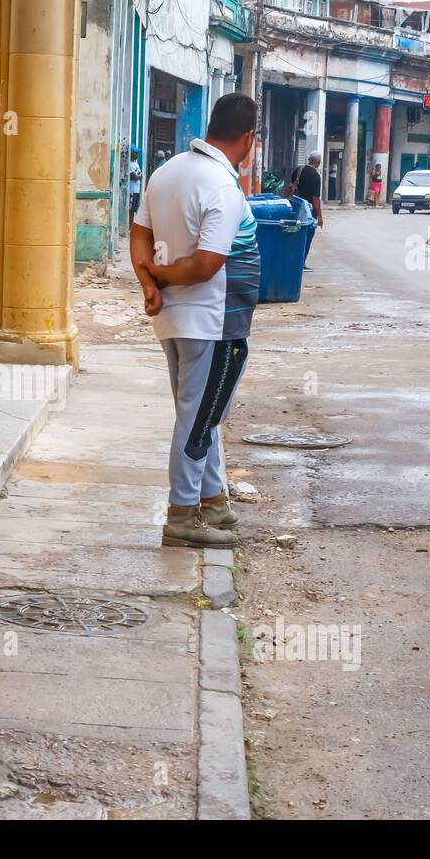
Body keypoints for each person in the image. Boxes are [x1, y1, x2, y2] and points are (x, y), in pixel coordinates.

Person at [128, 93, 257, 549]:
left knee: (201, 413)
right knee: (199, 417)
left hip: (175, 319)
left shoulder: (168, 171)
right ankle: (182, 513)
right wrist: (159, 275)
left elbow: (140, 232)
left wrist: (148, 283)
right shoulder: (221, 185)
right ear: (248, 139)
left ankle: (214, 500)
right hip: (213, 321)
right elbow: (207, 265)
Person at [296, 152, 324, 229]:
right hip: (309, 211)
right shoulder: (316, 176)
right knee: (308, 234)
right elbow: (315, 199)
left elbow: (290, 187)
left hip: (297, 207)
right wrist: (320, 217)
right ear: (317, 162)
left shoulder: (299, 169)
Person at [128, 147, 144, 222]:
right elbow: (135, 177)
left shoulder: (136, 163)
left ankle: (132, 225)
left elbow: (140, 175)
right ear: (132, 154)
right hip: (131, 190)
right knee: (130, 209)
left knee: (134, 209)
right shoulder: (130, 164)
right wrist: (139, 176)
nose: (137, 155)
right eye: (136, 153)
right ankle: (129, 226)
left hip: (136, 190)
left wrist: (139, 176)